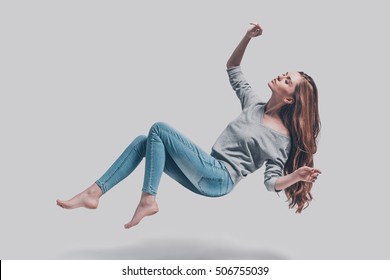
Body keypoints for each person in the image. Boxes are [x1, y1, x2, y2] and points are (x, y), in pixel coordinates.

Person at [57, 22, 321, 229]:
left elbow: (271, 182)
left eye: (287, 80)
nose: (281, 76)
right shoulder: (254, 105)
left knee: (159, 128)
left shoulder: (281, 138)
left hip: (220, 178)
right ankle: (94, 192)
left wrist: (296, 176)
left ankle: (148, 199)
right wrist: (247, 37)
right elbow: (233, 68)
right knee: (144, 142)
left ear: (289, 99)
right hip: (208, 168)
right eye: (285, 73)